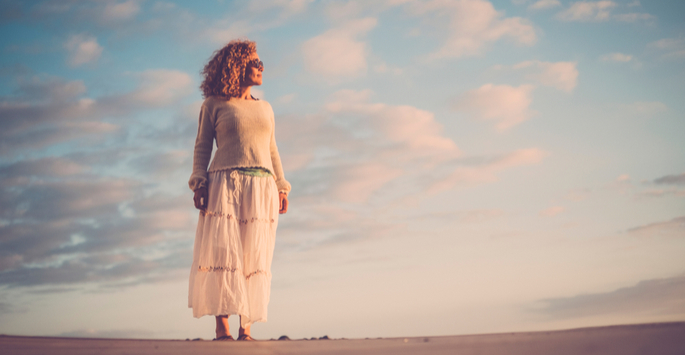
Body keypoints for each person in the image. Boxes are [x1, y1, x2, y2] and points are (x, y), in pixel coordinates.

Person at [187, 39, 290, 341]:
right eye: (255, 61)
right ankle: (222, 325)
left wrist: (282, 185)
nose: (261, 66)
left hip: (262, 186)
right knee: (225, 254)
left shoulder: (266, 108)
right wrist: (199, 182)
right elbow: (202, 146)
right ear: (237, 65)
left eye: (260, 62)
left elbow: (272, 150)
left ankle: (246, 327)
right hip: (224, 185)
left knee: (254, 256)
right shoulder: (214, 105)